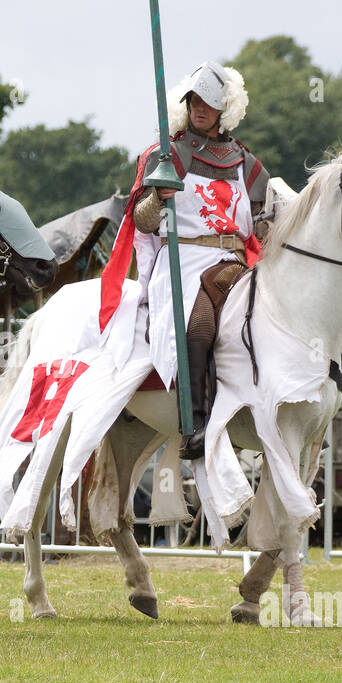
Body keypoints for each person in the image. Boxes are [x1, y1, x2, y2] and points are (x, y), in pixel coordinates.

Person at [120, 60, 271, 459]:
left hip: (236, 260)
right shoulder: (170, 154)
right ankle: (196, 424)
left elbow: (263, 221)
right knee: (200, 327)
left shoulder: (246, 162)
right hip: (186, 258)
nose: (199, 108)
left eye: (208, 102)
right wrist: (158, 198)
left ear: (226, 109)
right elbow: (142, 221)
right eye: (193, 100)